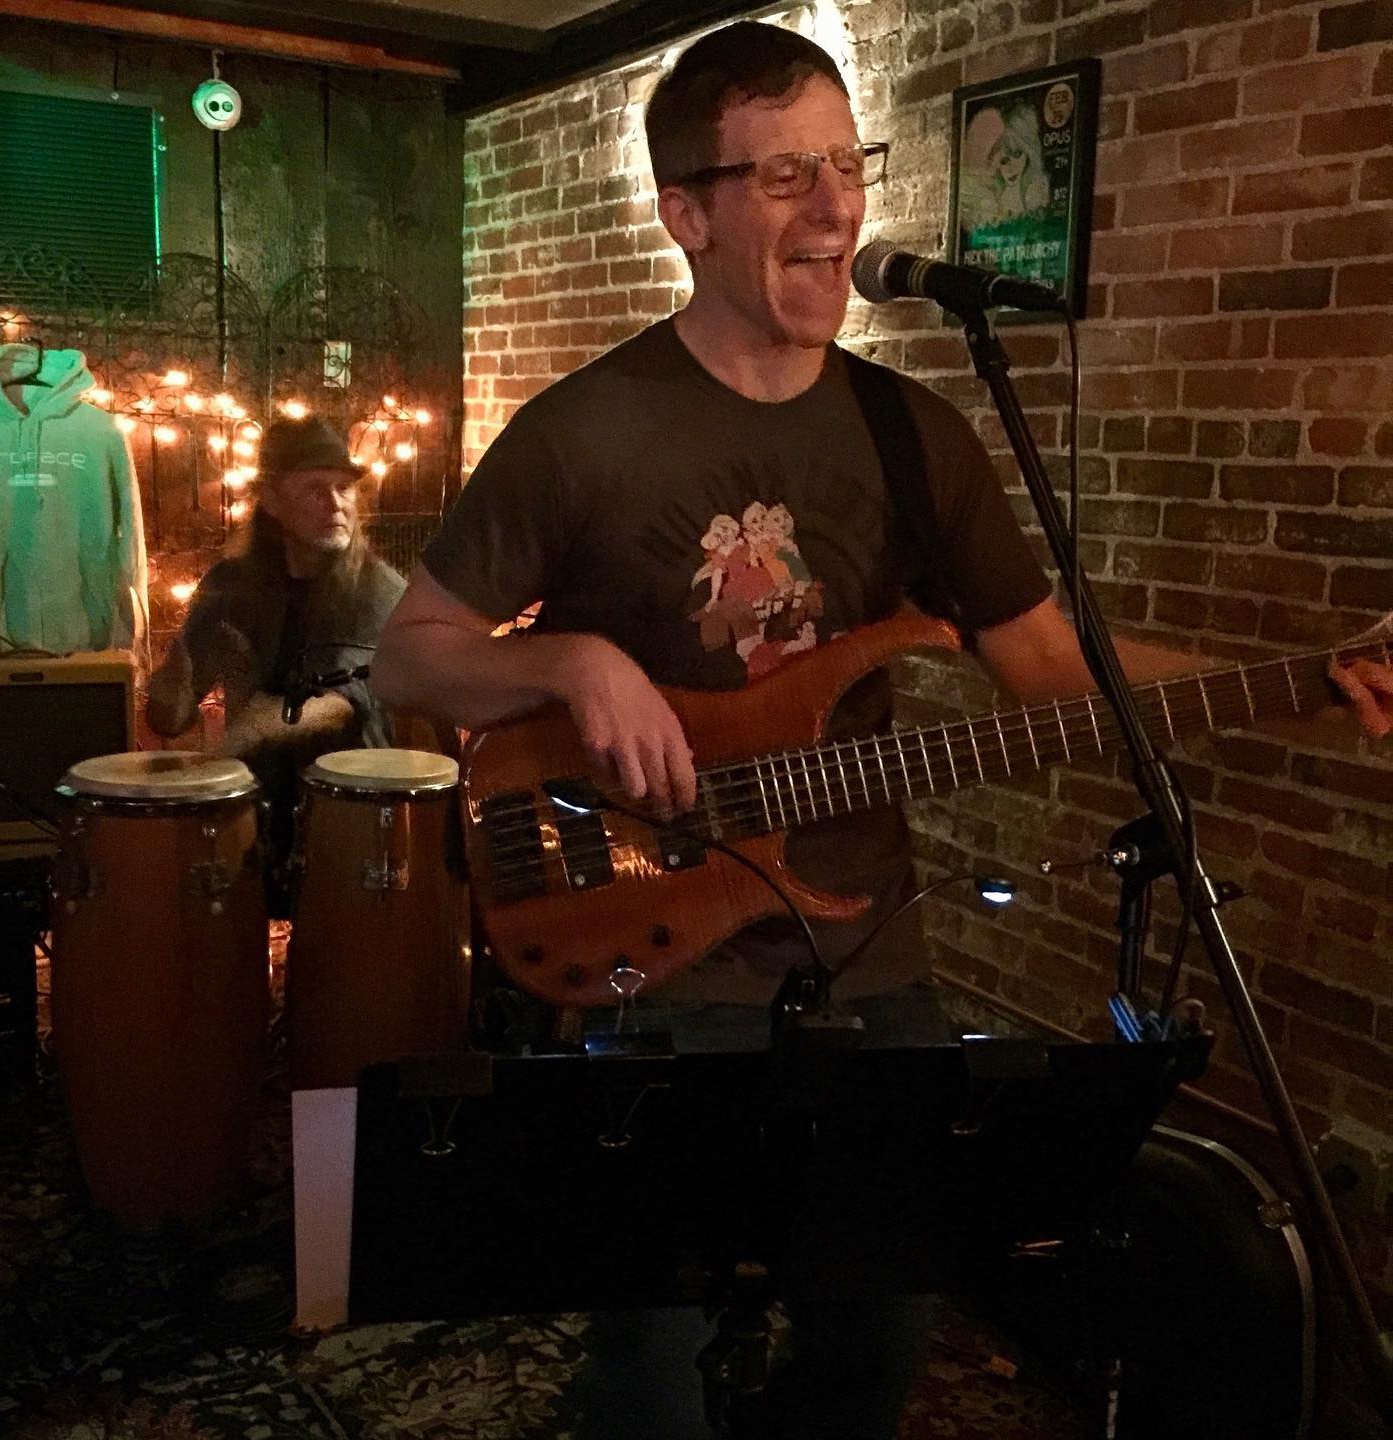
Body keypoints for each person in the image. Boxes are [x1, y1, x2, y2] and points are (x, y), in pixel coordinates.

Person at [370, 22, 1393, 1437]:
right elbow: (406, 659)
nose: (838, 205)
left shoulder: (919, 436)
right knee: (650, 1372)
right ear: (690, 212)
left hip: (867, 950)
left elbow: (1043, 663)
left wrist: (1296, 677)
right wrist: (573, 662)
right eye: (789, 171)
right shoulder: (582, 433)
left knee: (880, 1338)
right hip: (655, 948)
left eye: (848, 162)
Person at [149, 415, 405, 912]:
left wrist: (258, 727)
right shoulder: (232, 586)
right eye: (315, 489)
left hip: (349, 808)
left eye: (344, 489)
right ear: (271, 502)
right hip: (254, 807)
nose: (335, 504)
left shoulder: (378, 589)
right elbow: (171, 716)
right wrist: (174, 684)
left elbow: (345, 702)